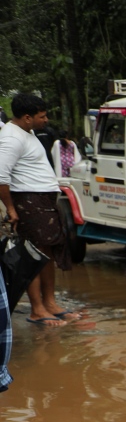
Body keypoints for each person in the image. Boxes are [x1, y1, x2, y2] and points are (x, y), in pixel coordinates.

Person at [0, 94, 78, 325]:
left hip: (42, 201)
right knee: (32, 254)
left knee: (47, 252)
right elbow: (1, 177)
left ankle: (50, 303)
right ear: (27, 118)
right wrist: (12, 209)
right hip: (28, 202)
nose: (46, 120)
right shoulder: (11, 138)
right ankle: (37, 309)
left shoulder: (28, 132)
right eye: (42, 116)